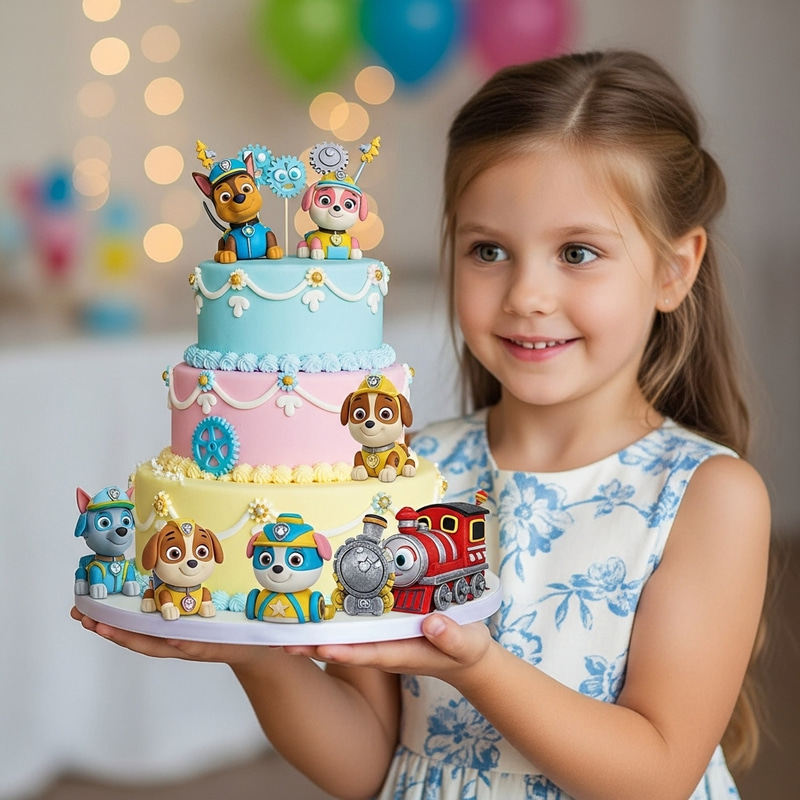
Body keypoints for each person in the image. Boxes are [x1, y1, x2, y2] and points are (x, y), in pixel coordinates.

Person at [72, 50, 770, 800]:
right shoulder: (401, 474)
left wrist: (478, 667)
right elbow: (368, 763)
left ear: (675, 268)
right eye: (489, 250)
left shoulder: (707, 497)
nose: (528, 294)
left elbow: (658, 774)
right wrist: (251, 649)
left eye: (577, 252)